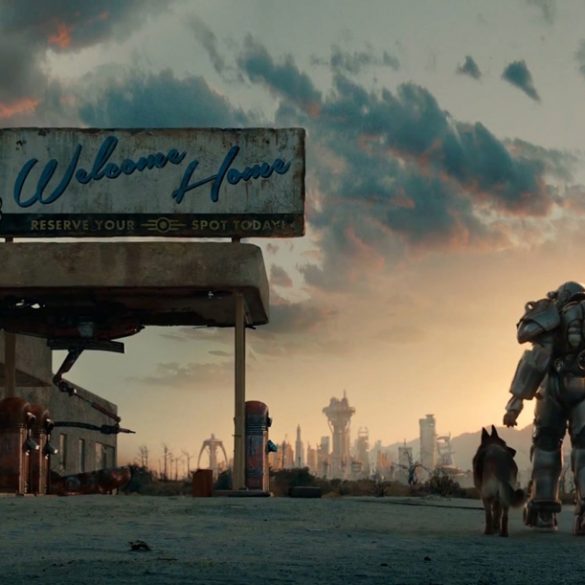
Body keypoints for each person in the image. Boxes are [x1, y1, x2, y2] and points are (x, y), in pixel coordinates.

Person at [503, 281, 585, 533]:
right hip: (581, 387)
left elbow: (536, 359)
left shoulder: (551, 314)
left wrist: (516, 401)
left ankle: (543, 513)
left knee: (546, 446)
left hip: (552, 387)